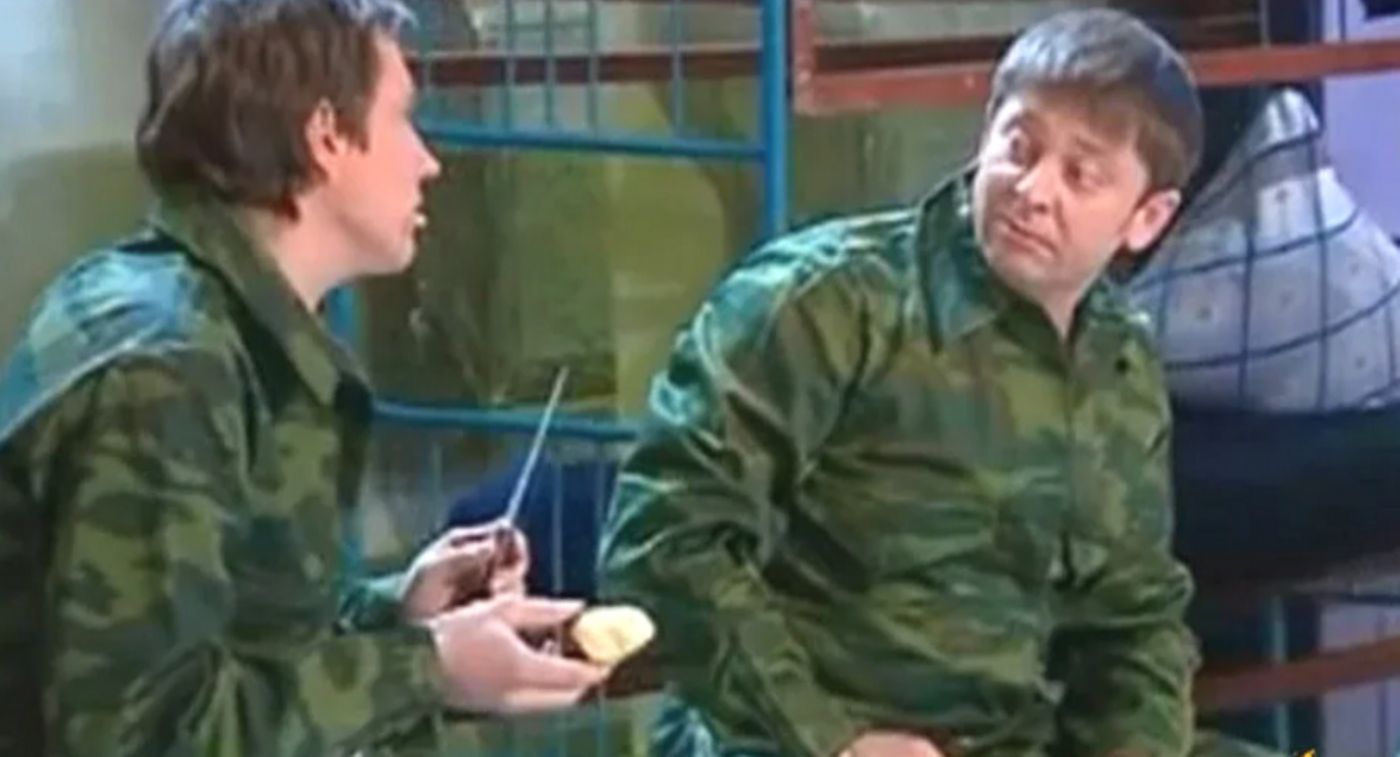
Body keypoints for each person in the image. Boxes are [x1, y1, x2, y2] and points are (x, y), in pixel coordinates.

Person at [601, 9, 1217, 756]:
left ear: (1147, 218)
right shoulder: (824, 302)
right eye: (1018, 148)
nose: (1032, 190)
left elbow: (1132, 620)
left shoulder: (1119, 361)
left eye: (1080, 175)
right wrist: (836, 740)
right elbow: (665, 541)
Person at [0, 0, 606, 754]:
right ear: (326, 137)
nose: (429, 161)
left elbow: (236, 638)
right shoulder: (166, 367)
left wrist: (395, 613)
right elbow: (144, 734)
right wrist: (429, 667)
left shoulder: (209, 320)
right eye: (403, 119)